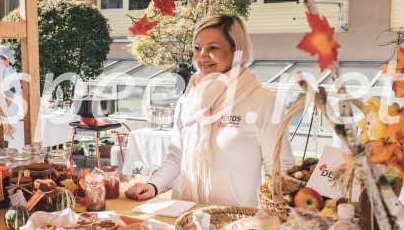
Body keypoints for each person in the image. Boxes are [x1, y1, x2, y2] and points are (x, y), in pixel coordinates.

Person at [125, 14, 295, 207]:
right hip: (184, 214)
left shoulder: (264, 101)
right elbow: (176, 157)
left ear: (237, 49)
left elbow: (280, 168)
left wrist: (276, 214)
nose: (202, 56)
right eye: (197, 48)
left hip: (236, 222)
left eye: (213, 47)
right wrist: (154, 185)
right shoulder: (189, 98)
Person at [0, 44, 25, 148]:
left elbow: (8, 99)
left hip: (5, 119)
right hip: (3, 119)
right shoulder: (4, 73)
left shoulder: (9, 75)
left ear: (7, 60)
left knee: (3, 151)